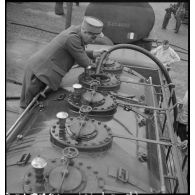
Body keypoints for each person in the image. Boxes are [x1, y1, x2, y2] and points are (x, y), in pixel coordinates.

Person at [20, 16, 106, 109]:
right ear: (84, 31)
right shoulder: (72, 38)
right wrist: (95, 66)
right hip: (40, 71)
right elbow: (85, 62)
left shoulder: (77, 31)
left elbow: (77, 51)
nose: (93, 41)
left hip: (43, 69)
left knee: (33, 101)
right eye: (92, 38)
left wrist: (93, 53)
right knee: (27, 105)